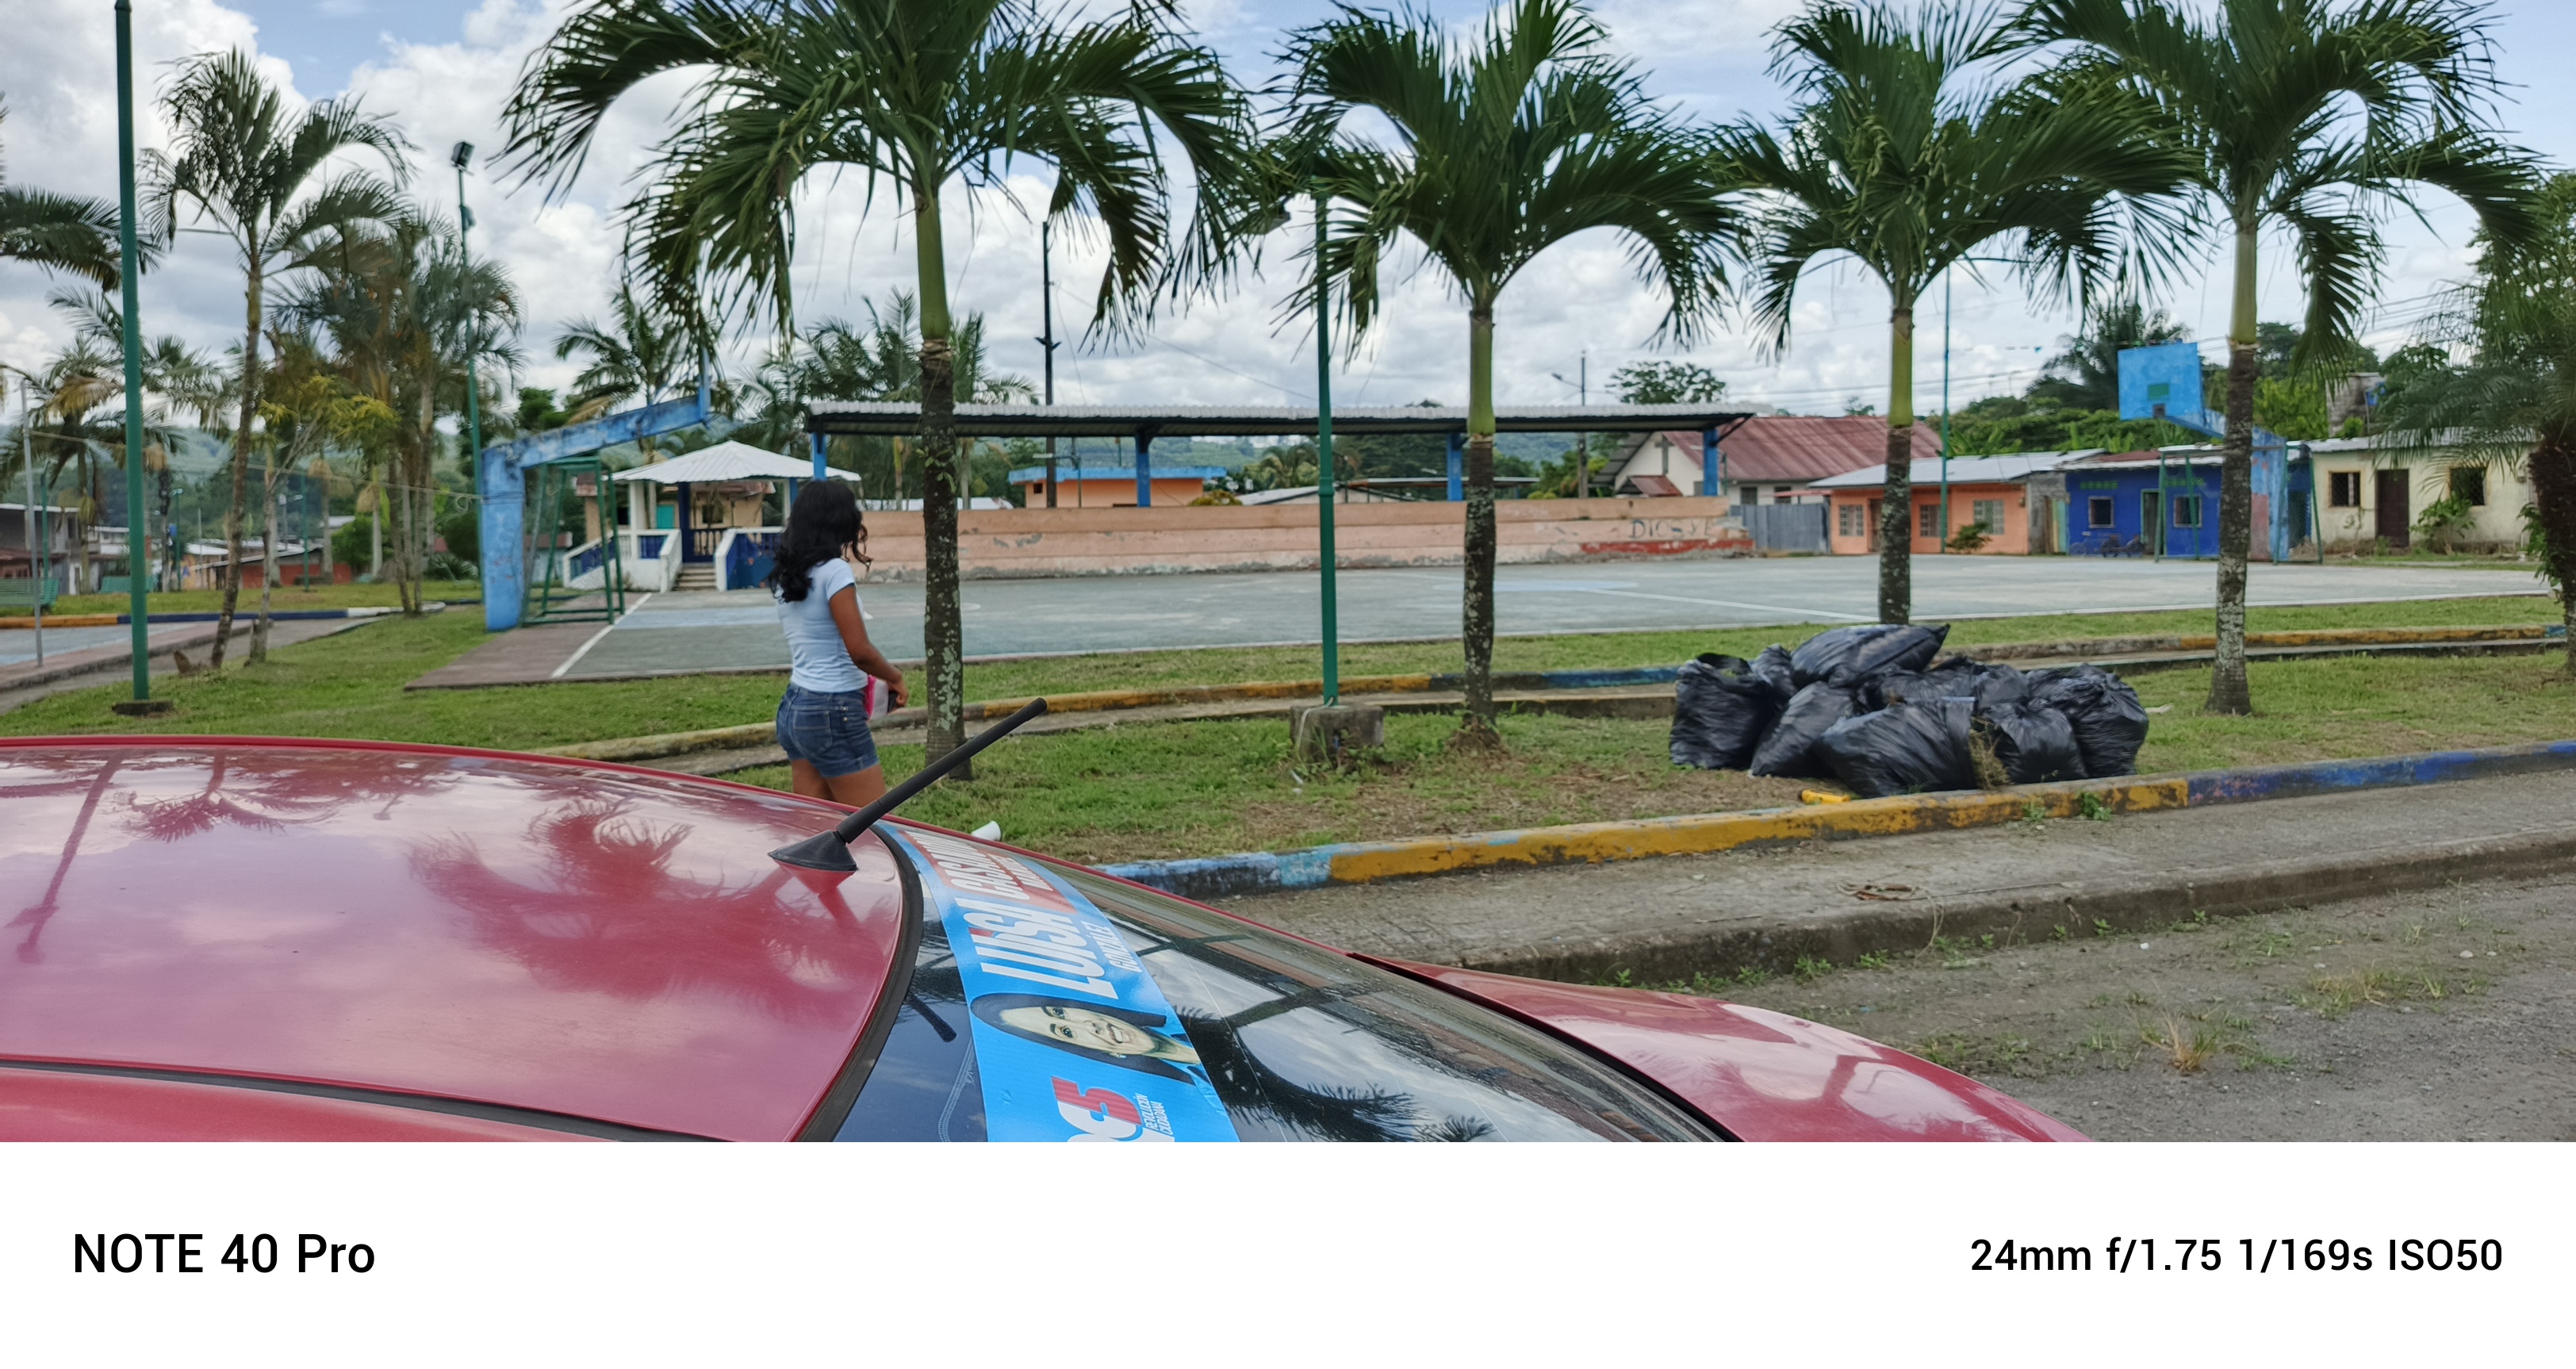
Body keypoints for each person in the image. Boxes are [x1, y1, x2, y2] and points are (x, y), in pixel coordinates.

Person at [768, 479, 907, 805]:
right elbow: (860, 651)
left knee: (815, 824)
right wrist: (895, 676)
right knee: (872, 822)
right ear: (840, 521)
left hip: (795, 707)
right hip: (833, 709)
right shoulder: (834, 572)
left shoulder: (788, 575)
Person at [970, 993, 1205, 1083]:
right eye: (1067, 1032)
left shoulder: (1194, 1013)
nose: (1091, 1027)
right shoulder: (1198, 1095)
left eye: (1059, 1012)